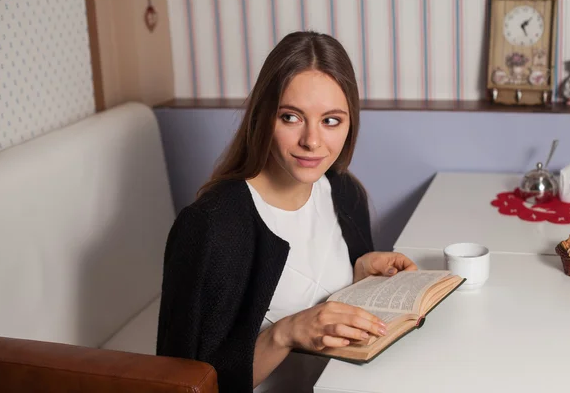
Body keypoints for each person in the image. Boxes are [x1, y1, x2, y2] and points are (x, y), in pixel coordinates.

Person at [155, 31, 418, 393]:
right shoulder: (211, 226)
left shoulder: (344, 192)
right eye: (291, 117)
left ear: (350, 124)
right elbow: (184, 385)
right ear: (263, 117)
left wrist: (358, 272)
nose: (312, 141)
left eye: (331, 121)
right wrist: (284, 334)